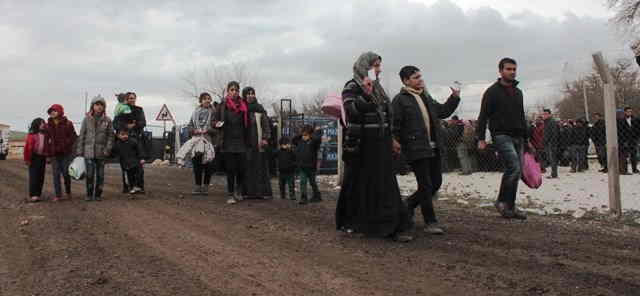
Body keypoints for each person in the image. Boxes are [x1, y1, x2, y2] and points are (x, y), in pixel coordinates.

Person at [335, 52, 413, 242]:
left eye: (379, 65)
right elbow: (351, 111)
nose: (379, 69)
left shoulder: (378, 88)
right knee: (364, 183)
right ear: (365, 66)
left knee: (380, 183)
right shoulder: (352, 86)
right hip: (363, 144)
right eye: (375, 65)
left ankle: (385, 224)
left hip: (380, 142)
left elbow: (386, 115)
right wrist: (366, 96)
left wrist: (391, 138)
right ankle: (371, 224)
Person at [391, 65, 461, 235]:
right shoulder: (400, 100)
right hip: (416, 148)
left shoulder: (426, 97)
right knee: (425, 184)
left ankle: (408, 205)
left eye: (420, 76)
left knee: (435, 183)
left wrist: (454, 97)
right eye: (415, 77)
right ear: (406, 81)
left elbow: (442, 112)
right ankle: (430, 221)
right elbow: (395, 124)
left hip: (434, 147)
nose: (420, 80)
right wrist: (394, 140)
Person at [476, 58, 530, 220]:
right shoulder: (492, 92)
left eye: (514, 69)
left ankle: (509, 206)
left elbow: (521, 116)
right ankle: (502, 202)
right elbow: (483, 116)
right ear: (500, 71)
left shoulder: (518, 92)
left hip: (518, 136)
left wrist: (527, 139)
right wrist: (480, 138)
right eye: (508, 69)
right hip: (501, 135)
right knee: (513, 167)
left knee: (516, 170)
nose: (512, 72)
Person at [213, 81, 249, 204]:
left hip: (241, 141)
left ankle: (238, 191)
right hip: (227, 141)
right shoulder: (222, 105)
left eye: (236, 90)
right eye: (232, 90)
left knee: (241, 169)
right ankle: (230, 194)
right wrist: (217, 124)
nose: (234, 92)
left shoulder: (244, 105)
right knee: (231, 169)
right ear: (228, 91)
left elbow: (248, 123)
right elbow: (214, 120)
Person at [75, 96, 114, 201]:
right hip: (89, 152)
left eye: (101, 105)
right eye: (97, 104)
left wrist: (107, 149)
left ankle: (98, 195)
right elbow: (82, 135)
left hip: (102, 152)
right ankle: (89, 194)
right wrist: (79, 150)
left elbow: (111, 136)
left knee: (100, 175)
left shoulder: (108, 120)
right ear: (92, 106)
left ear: (104, 107)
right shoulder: (86, 119)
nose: (99, 107)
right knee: (90, 175)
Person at [243, 87, 273, 199]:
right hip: (246, 144)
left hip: (258, 143)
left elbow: (266, 125)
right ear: (244, 95)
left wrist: (265, 138)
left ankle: (261, 192)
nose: (251, 95)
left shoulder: (259, 109)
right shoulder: (242, 108)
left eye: (252, 93)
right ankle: (248, 192)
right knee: (247, 168)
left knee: (260, 168)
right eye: (248, 93)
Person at [44, 104, 77, 201]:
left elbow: (73, 137)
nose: (52, 113)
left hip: (65, 153)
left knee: (66, 174)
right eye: (50, 111)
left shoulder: (68, 123)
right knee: (55, 175)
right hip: (54, 154)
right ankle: (58, 195)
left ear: (60, 111)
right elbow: (46, 140)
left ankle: (68, 192)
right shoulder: (48, 125)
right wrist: (48, 154)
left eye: (54, 110)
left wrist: (66, 144)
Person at [187, 92, 216, 195]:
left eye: (209, 99)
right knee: (197, 163)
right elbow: (189, 126)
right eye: (204, 99)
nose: (207, 100)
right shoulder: (195, 112)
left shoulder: (214, 112)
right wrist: (194, 131)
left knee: (208, 164)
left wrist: (209, 130)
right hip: (196, 140)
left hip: (208, 141)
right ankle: (198, 186)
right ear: (200, 101)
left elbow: (217, 127)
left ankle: (206, 187)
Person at [293, 125, 323, 205]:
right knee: (303, 181)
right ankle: (304, 197)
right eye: (303, 135)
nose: (304, 137)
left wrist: (315, 132)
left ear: (310, 135)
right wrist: (301, 133)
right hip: (302, 166)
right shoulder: (299, 141)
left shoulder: (313, 142)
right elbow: (293, 140)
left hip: (311, 166)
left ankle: (317, 195)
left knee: (312, 182)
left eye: (306, 135)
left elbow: (318, 140)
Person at [112, 128, 146, 197]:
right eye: (122, 135)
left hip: (136, 162)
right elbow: (113, 153)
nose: (125, 136)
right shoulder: (117, 144)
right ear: (118, 136)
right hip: (125, 164)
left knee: (140, 174)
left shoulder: (133, 141)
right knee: (129, 177)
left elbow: (139, 149)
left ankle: (140, 187)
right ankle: (132, 188)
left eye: (126, 134)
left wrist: (142, 158)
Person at [124, 92, 147, 193]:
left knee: (139, 164)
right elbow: (118, 123)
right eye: (130, 98)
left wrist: (134, 125)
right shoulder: (122, 110)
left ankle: (140, 186)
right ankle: (129, 186)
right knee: (128, 166)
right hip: (125, 141)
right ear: (126, 99)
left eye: (133, 98)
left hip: (138, 140)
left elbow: (143, 122)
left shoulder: (139, 110)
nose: (132, 100)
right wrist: (126, 126)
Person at [24, 118, 49, 203]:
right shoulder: (31, 135)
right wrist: (27, 159)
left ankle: (38, 194)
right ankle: (33, 195)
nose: (43, 124)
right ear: (37, 124)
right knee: (34, 176)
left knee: (41, 176)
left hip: (42, 157)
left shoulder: (45, 135)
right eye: (41, 123)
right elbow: (27, 148)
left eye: (43, 123)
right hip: (34, 157)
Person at [618, 107, 640, 174]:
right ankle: (624, 170)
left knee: (634, 155)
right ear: (625, 112)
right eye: (628, 111)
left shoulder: (635, 119)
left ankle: (635, 169)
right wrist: (623, 141)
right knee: (624, 156)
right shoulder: (621, 120)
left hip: (633, 140)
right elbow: (620, 131)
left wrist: (637, 139)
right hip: (624, 141)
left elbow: (638, 130)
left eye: (630, 111)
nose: (629, 113)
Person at [542, 109, 560, 178]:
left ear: (550, 114)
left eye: (546, 114)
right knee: (551, 159)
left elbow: (554, 133)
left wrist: (551, 143)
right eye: (544, 114)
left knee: (553, 159)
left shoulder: (552, 122)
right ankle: (553, 173)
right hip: (548, 143)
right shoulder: (546, 122)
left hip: (551, 144)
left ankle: (554, 174)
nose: (544, 115)